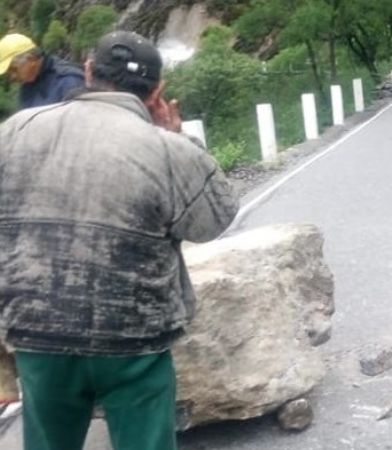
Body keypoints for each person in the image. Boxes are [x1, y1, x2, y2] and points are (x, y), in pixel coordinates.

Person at [0, 30, 238, 449]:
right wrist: (179, 139)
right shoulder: (166, 149)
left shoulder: (16, 130)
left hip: (39, 334)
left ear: (89, 71)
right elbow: (213, 220)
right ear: (157, 90)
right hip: (134, 343)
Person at [0, 33, 85, 108]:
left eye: (14, 69)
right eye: (9, 72)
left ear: (31, 59)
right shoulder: (27, 87)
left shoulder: (69, 81)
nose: (12, 77)